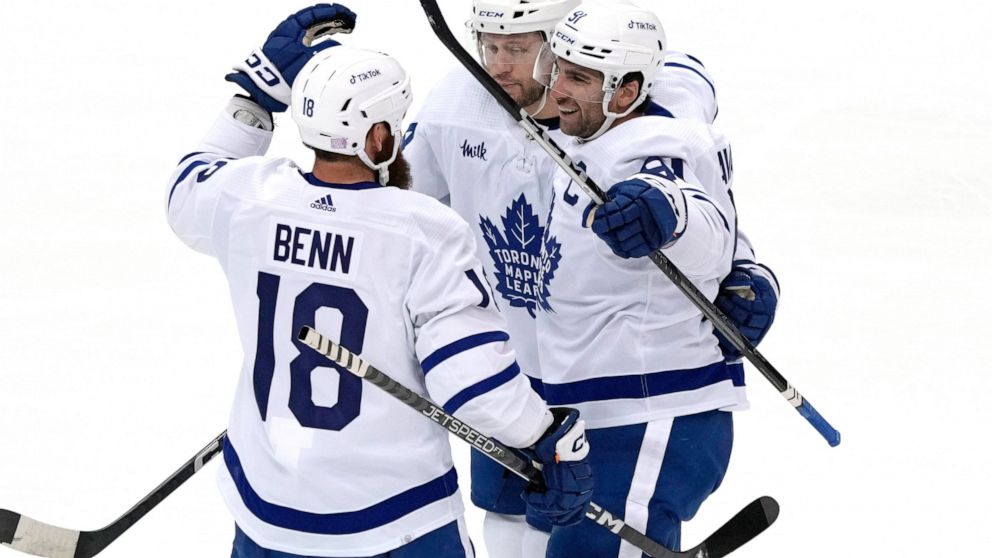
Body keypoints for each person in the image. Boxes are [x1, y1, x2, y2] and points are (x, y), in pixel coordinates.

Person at [165, 5, 593, 557]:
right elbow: (474, 387)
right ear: (380, 134)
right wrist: (546, 437)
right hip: (398, 521)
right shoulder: (424, 231)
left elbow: (187, 188)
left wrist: (254, 96)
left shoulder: (248, 196)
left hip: (267, 514)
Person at [403, 0, 778, 556]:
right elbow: (391, 215)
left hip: (625, 384)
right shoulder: (454, 105)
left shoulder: (655, 103)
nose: (498, 65)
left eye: (519, 48)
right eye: (490, 45)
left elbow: (686, 191)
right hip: (515, 381)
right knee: (510, 525)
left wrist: (743, 266)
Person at [527, 0, 753, 554]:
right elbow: (686, 75)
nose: (556, 89)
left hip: (652, 415)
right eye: (556, 68)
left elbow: (699, 226)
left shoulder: (645, 148)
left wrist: (666, 212)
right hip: (601, 416)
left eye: (577, 78)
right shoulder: (602, 123)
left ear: (626, 92)